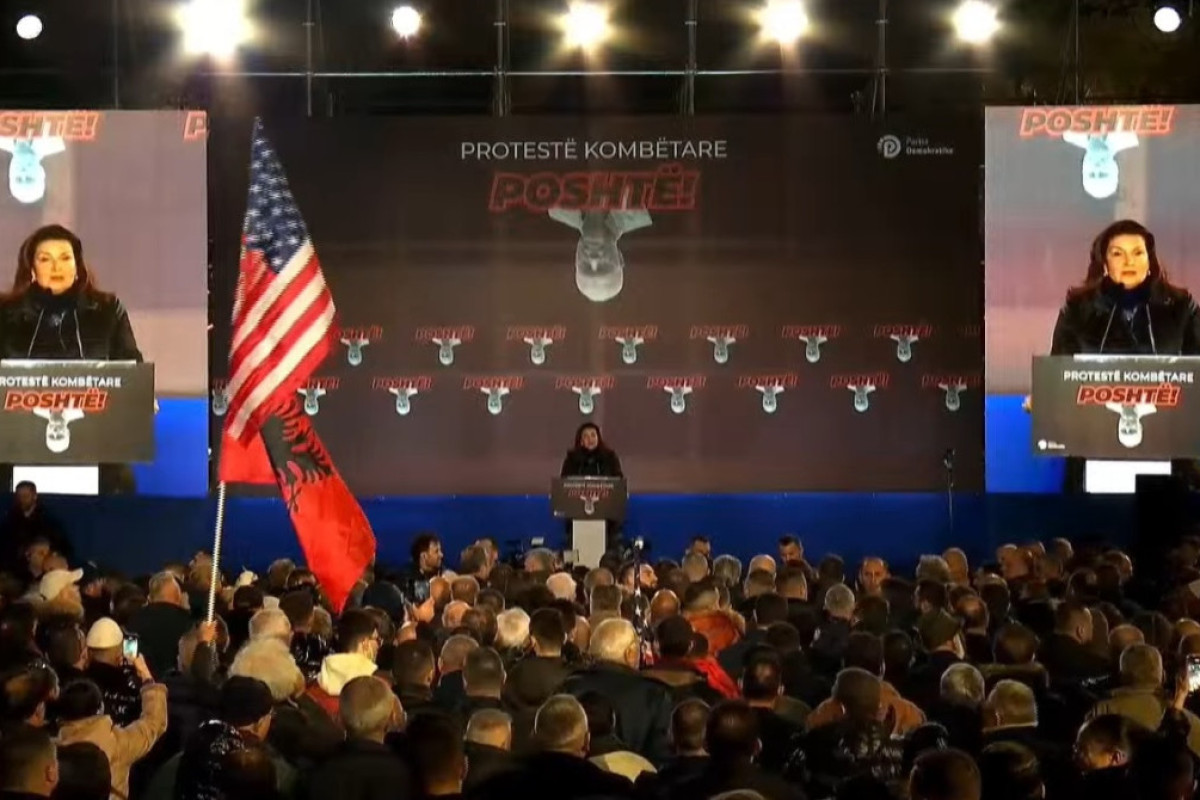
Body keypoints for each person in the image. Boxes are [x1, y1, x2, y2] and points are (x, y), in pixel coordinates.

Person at [1027, 219, 1200, 491]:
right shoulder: (1079, 310)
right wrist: (1045, 400)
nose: (1129, 261)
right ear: (1105, 264)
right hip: (1093, 459)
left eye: (1138, 252)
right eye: (1118, 253)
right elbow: (1059, 372)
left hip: (1170, 461)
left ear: (1150, 261)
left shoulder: (1180, 308)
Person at [0, 224, 145, 495]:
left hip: (97, 450)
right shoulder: (5, 313)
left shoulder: (107, 309)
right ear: (31, 268)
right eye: (46, 259)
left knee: (119, 484)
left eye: (65, 257)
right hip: (13, 451)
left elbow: (130, 362)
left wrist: (141, 393)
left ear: (77, 266)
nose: (57, 267)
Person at [560, 424, 624, 551]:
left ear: (599, 438)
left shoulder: (610, 457)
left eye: (593, 435)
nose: (590, 439)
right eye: (586, 436)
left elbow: (618, 482)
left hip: (607, 517)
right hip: (577, 516)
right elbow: (564, 484)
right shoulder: (572, 459)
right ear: (580, 441)